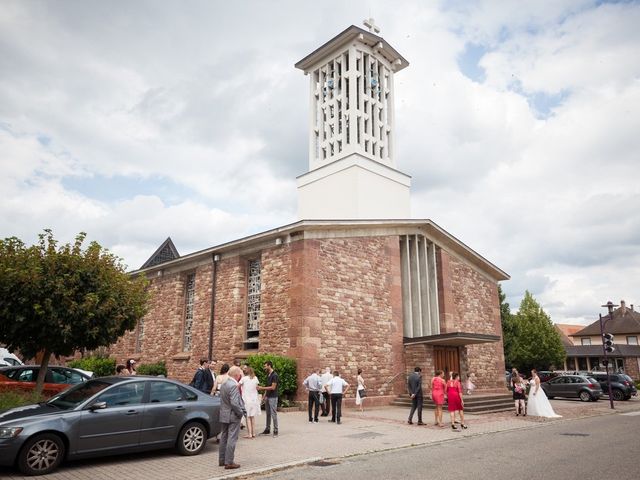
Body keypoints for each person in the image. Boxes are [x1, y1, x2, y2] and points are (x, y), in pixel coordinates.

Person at [218, 366, 246, 470]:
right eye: (239, 374)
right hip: (233, 415)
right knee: (232, 438)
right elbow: (234, 403)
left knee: (224, 437)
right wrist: (240, 413)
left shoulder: (224, 384)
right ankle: (229, 462)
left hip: (224, 413)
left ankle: (222, 460)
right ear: (236, 375)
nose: (240, 376)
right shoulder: (233, 385)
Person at [257, 360, 279, 436]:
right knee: (268, 414)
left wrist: (262, 388)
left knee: (273, 414)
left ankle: (276, 430)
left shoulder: (274, 375)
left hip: (273, 397)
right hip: (268, 397)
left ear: (269, 366)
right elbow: (268, 386)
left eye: (265, 366)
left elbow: (273, 387)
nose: (264, 367)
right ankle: (267, 429)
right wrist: (264, 396)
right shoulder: (269, 375)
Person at [239, 366, 260, 438]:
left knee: (248, 417)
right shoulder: (255, 378)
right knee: (252, 417)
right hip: (254, 400)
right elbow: (257, 387)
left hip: (246, 400)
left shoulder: (244, 379)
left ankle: (249, 434)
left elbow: (238, 385)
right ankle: (254, 433)